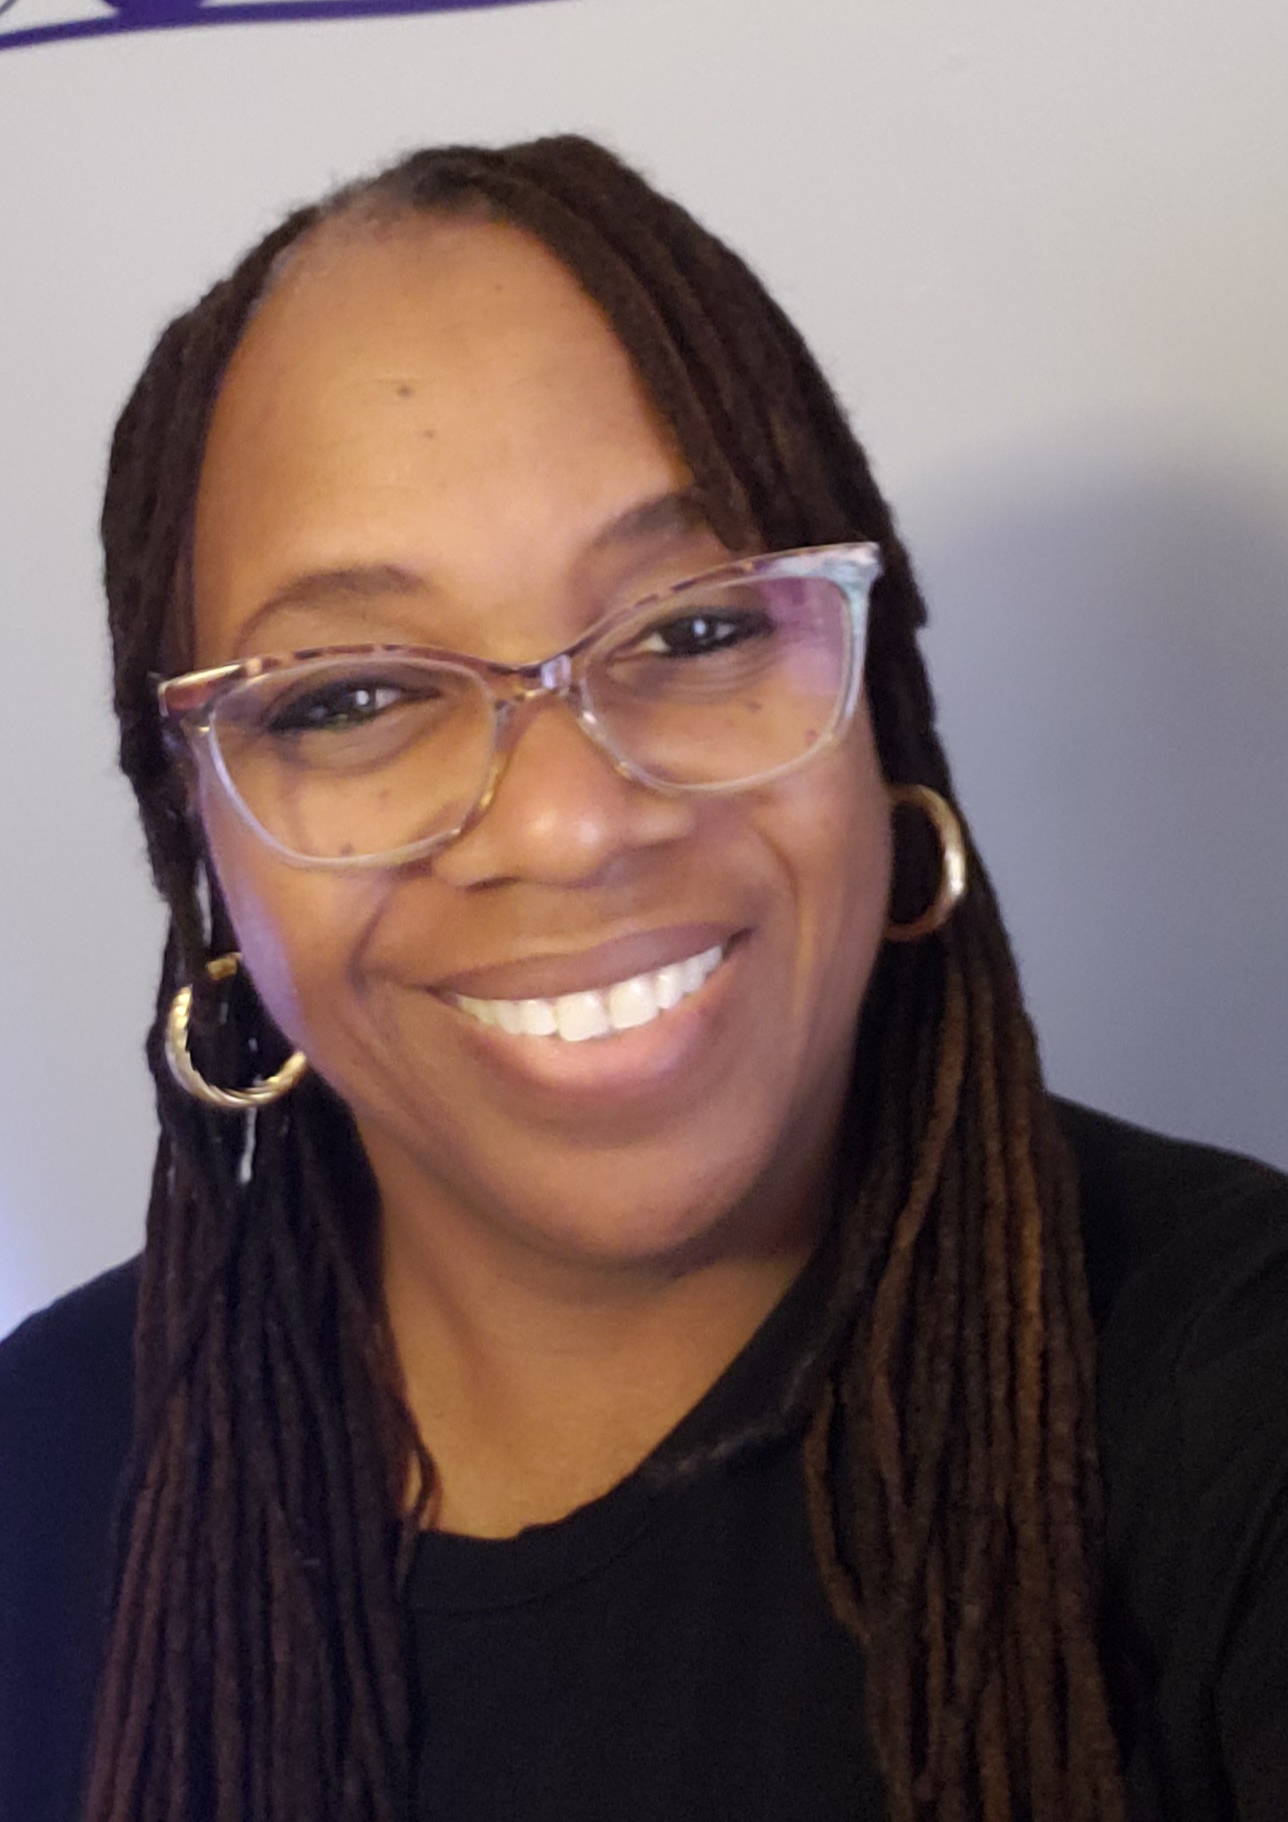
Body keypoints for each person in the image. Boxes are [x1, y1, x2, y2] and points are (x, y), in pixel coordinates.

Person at [1, 134, 1285, 1822]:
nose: (570, 824)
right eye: (350, 698)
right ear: (203, 838)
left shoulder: (1230, 1396)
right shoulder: (39, 1475)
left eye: (693, 628)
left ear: (874, 702)